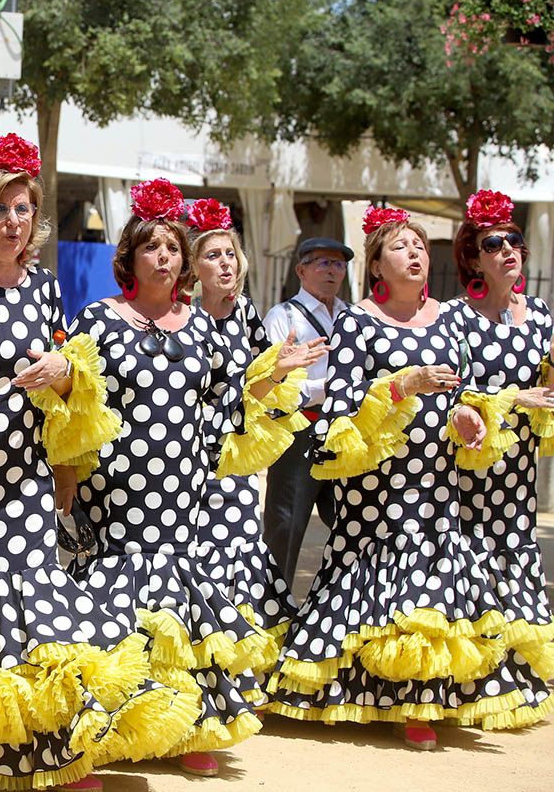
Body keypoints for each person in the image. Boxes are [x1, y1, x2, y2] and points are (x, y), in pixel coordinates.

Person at [0, 137, 196, 790]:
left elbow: (68, 384)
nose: (15, 221)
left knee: (35, 605)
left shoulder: (42, 289)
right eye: (3, 208)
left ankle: (46, 750)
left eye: (25, 209)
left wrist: (66, 378)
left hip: (27, 473)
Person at [59, 182, 322, 777]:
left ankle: (184, 728)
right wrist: (66, 477)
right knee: (111, 608)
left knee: (178, 607)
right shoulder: (98, 320)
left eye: (173, 248)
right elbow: (77, 410)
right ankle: (103, 732)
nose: (164, 258)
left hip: (183, 484)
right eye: (150, 247)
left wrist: (270, 374)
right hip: (115, 488)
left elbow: (226, 409)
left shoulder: (202, 327)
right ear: (130, 257)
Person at [268, 205, 511, 750]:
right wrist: (403, 386)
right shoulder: (357, 321)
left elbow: (463, 391)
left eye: (421, 247)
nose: (416, 255)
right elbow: (341, 408)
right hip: (377, 480)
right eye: (401, 247)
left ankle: (421, 694)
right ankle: (355, 689)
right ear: (377, 266)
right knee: (372, 577)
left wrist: (468, 414)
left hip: (436, 478)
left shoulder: (451, 319)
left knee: (433, 577)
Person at [446, 189, 554, 728]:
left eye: (515, 240)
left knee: (516, 556)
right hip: (467, 462)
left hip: (520, 463)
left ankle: (513, 677)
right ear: (473, 257)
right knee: (469, 560)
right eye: (495, 243)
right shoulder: (454, 318)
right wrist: (513, 399)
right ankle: (468, 677)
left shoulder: (540, 315)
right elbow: (453, 391)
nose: (509, 249)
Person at [190, 200, 308, 688]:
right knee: (202, 560)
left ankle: (240, 671)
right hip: (194, 459)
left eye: (231, 253)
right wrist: (272, 373)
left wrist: (279, 370)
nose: (226, 263)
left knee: (241, 555)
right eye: (213, 255)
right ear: (191, 266)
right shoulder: (185, 318)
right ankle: (203, 668)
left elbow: (259, 384)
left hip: (237, 461)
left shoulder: (244, 312)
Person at [261, 237, 350, 584]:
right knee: (287, 522)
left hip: (343, 431)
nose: (331, 270)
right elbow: (275, 382)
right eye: (322, 263)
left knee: (349, 518)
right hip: (300, 430)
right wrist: (322, 389)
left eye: (338, 264)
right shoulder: (283, 316)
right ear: (301, 270)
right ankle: (273, 603)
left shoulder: (350, 315)